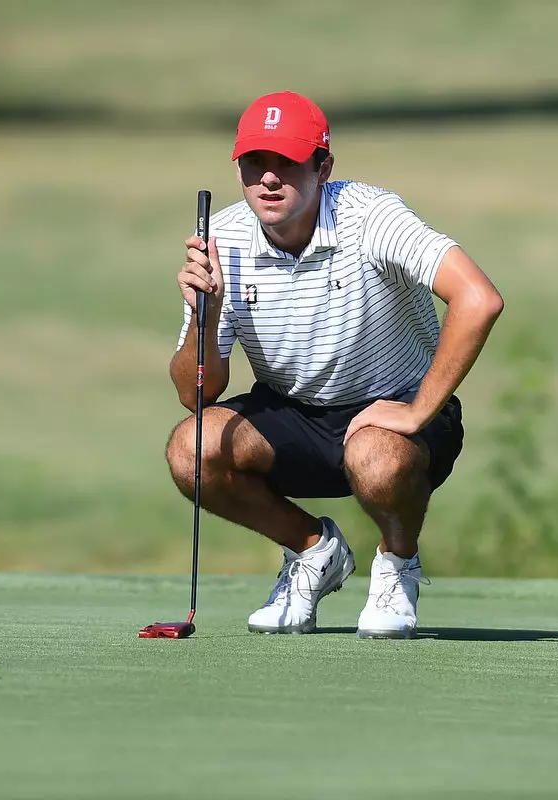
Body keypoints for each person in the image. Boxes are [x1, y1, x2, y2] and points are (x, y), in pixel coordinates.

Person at [166, 91, 503, 638]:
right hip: (294, 412)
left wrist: (417, 412)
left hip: (391, 412)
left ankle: (397, 563)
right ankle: (312, 552)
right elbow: (196, 394)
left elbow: (479, 299)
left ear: (323, 167)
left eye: (287, 163)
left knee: (374, 454)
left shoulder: (370, 216)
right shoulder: (222, 237)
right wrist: (207, 315)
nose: (269, 179)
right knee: (191, 448)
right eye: (255, 163)